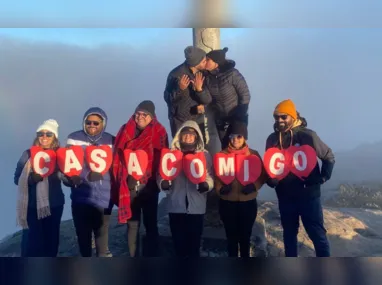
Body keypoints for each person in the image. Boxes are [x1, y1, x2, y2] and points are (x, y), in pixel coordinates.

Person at [265, 99, 335, 257]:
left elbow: (328, 156)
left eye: (284, 117)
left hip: (308, 196)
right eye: (276, 117)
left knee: (316, 234)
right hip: (285, 196)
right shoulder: (272, 139)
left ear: (292, 116)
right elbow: (269, 166)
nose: (280, 121)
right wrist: (270, 179)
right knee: (289, 234)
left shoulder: (308, 136)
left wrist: (322, 178)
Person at [112, 100, 169, 257]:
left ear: (152, 116)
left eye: (145, 114)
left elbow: (164, 158)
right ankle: (133, 258)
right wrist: (126, 177)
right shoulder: (125, 130)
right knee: (132, 224)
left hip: (150, 185)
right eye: (138, 113)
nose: (140, 117)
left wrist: (156, 182)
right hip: (129, 185)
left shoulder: (159, 131)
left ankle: (151, 258)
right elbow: (117, 156)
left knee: (151, 224)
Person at [157, 120, 214, 257]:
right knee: (179, 243)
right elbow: (161, 174)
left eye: (191, 134)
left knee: (193, 244)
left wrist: (207, 185)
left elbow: (210, 175)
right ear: (179, 136)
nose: (188, 137)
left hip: (196, 207)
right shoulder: (171, 154)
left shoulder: (205, 155)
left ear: (196, 136)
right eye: (185, 134)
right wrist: (163, 183)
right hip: (176, 205)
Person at [64, 107, 114, 257]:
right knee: (83, 241)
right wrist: (70, 180)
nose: (92, 125)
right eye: (89, 122)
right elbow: (66, 166)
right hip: (81, 198)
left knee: (102, 242)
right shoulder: (73, 138)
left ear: (103, 124)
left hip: (104, 199)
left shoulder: (111, 140)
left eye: (96, 123)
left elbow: (118, 167)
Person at [214, 121, 268, 258]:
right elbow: (214, 177)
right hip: (227, 203)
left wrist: (254, 186)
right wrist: (220, 189)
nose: (235, 139)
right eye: (232, 136)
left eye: (239, 136)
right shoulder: (221, 155)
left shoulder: (254, 155)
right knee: (231, 238)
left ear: (244, 137)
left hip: (248, 203)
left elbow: (262, 175)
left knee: (245, 237)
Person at [14, 119, 65, 257]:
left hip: (54, 205)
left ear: (54, 136)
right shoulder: (28, 154)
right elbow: (17, 178)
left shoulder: (60, 154)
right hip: (31, 207)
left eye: (49, 134)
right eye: (41, 133)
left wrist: (72, 179)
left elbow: (67, 175)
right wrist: (30, 179)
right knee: (32, 244)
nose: (44, 137)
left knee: (51, 243)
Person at [204, 47, 251, 149]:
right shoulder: (207, 78)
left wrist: (239, 116)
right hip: (222, 120)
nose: (205, 62)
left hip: (238, 118)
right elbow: (209, 99)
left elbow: (245, 95)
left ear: (216, 63)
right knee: (225, 147)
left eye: (208, 60)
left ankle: (241, 165)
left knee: (237, 147)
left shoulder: (232, 74)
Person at [164, 46, 212, 140]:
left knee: (199, 149)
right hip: (180, 121)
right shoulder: (175, 75)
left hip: (198, 118)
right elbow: (168, 99)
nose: (206, 62)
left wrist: (199, 90)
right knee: (181, 149)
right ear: (195, 63)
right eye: (203, 61)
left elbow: (208, 100)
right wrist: (180, 89)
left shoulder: (202, 73)